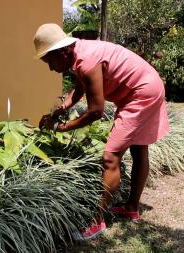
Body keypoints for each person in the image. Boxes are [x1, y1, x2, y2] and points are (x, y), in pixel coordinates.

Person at [34, 23, 170, 240]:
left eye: (49, 61)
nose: (50, 68)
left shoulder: (87, 62)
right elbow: (80, 88)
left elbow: (95, 111)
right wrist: (58, 112)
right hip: (145, 85)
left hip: (141, 92)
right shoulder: (78, 53)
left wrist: (63, 127)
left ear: (61, 51)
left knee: (110, 157)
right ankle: (132, 207)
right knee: (138, 148)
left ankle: (97, 222)